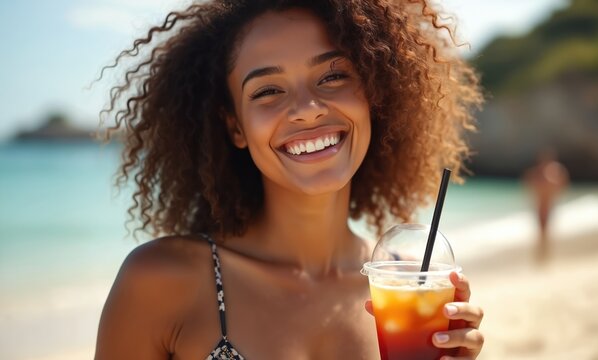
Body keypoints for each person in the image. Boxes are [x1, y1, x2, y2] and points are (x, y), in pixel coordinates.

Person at [95, 0, 485, 359]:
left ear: (374, 94)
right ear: (235, 126)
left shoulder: (407, 286)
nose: (307, 109)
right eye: (267, 90)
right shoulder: (161, 283)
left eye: (332, 76)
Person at [523, 149, 570, 263]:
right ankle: (542, 254)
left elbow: (563, 183)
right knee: (541, 230)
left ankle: (544, 254)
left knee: (545, 230)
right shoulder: (539, 172)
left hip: (548, 204)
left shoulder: (553, 171)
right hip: (540, 204)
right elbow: (527, 182)